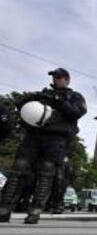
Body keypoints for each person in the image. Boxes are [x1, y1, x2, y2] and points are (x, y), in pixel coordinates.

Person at [0, 68, 86, 224]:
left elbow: (77, 112)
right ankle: (4, 209)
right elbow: (20, 104)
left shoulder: (74, 96)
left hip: (56, 139)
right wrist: (36, 98)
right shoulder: (43, 94)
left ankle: (35, 211)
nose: (56, 80)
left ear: (67, 80)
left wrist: (59, 102)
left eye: (59, 77)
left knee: (46, 173)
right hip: (33, 135)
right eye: (54, 77)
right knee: (18, 169)